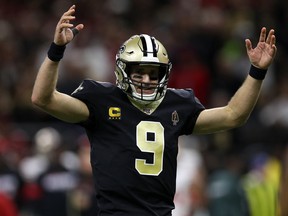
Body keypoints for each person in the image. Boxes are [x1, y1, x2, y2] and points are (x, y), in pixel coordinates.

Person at [31, 5, 277, 216]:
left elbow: (233, 115)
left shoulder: (176, 105)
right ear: (122, 72)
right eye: (139, 72)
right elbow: (43, 99)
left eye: (154, 73)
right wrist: (56, 50)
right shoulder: (102, 101)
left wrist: (257, 72)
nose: (147, 80)